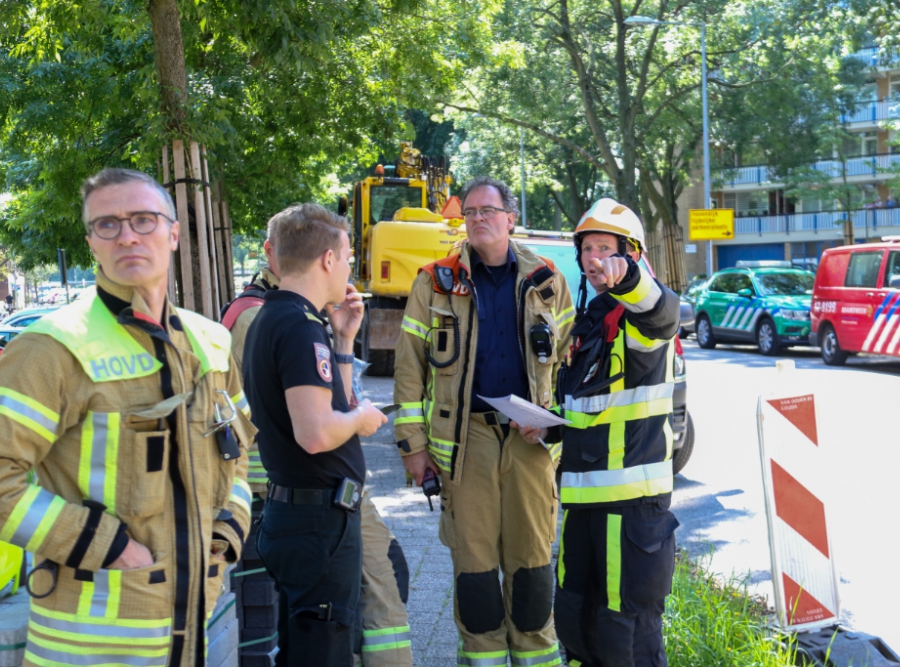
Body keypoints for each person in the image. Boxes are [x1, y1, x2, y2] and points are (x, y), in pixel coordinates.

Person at [0, 167, 256, 667]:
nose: (126, 235)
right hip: (86, 649)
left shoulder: (211, 342)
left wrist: (229, 530)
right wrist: (109, 546)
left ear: (174, 234)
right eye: (108, 225)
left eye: (143, 220)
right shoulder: (52, 347)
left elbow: (239, 454)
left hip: (188, 636)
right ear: (90, 243)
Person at [394, 176, 576, 667]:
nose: (477, 220)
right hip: (465, 441)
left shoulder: (548, 280)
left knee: (533, 568)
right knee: (475, 575)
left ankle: (536, 655)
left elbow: (567, 362)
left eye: (487, 211)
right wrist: (412, 447)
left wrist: (553, 421)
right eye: (470, 212)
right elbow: (409, 366)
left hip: (530, 441)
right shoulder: (435, 281)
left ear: (510, 218)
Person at [224, 223, 412, 667]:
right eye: (347, 256)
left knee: (311, 645)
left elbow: (330, 404)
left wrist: (344, 339)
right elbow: (316, 433)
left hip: (307, 515)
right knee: (323, 650)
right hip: (316, 522)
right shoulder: (297, 325)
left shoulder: (280, 315)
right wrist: (362, 419)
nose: (349, 266)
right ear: (328, 259)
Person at [548, 199, 680, 667]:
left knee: (627, 637)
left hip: (632, 510)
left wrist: (626, 280)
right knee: (577, 626)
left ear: (633, 255)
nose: (594, 258)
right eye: (587, 248)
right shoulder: (587, 323)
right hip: (582, 505)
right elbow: (584, 408)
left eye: (606, 247)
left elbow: (663, 311)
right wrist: (545, 428)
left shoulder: (640, 320)